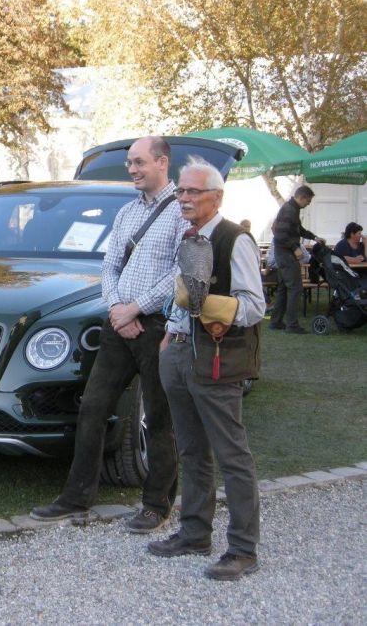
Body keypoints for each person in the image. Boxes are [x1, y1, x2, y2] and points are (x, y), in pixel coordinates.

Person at [30, 136, 181, 533]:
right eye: (130, 162)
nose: (132, 169)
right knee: (93, 407)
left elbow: (180, 274)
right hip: (119, 325)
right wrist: (117, 309)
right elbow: (110, 266)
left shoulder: (180, 212)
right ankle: (76, 497)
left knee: (159, 418)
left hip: (158, 327)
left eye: (139, 162)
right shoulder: (127, 212)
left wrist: (137, 308)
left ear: (162, 162)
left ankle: (157, 505)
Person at [148, 156, 265, 581]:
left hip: (217, 359)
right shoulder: (189, 236)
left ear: (217, 197)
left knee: (232, 456)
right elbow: (179, 296)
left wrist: (202, 306)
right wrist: (170, 332)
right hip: (179, 354)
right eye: (181, 190)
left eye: (193, 191)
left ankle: (243, 549)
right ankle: (195, 533)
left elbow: (254, 307)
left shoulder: (235, 239)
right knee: (192, 450)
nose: (183, 198)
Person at [270, 185, 321, 334]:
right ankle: (292, 325)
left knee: (283, 288)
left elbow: (299, 229)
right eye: (308, 201)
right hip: (285, 254)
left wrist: (314, 237)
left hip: (283, 254)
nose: (308, 204)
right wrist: (295, 248)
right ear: (302, 197)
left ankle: (276, 322)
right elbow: (280, 234)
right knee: (295, 288)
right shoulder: (289, 210)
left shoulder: (293, 209)